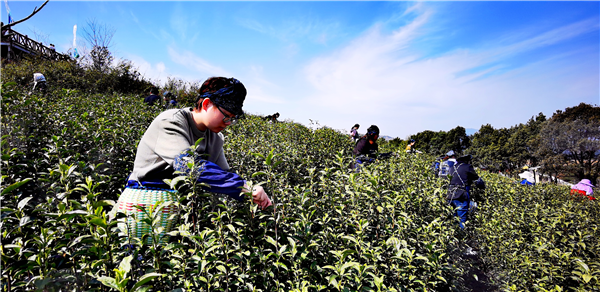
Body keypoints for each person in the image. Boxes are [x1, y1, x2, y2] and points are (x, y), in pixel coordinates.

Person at [118, 77, 272, 241]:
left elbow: (222, 175)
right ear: (206, 104)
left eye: (232, 119)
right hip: (145, 205)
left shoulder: (215, 137)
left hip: (177, 210)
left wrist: (252, 194)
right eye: (226, 116)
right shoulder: (171, 121)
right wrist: (242, 186)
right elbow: (190, 166)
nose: (228, 123)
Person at [446, 154, 485, 229]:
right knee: (461, 219)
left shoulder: (452, 167)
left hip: (450, 194)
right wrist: (482, 187)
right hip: (461, 195)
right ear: (467, 160)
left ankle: (453, 236)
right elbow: (477, 180)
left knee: (453, 219)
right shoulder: (468, 167)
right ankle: (461, 237)